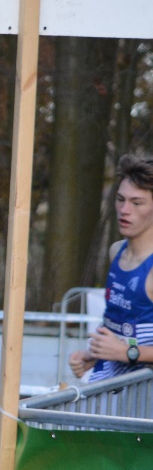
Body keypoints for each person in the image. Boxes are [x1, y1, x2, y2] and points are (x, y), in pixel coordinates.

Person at [70, 153, 153, 383]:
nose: (125, 210)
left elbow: (126, 348)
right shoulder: (116, 251)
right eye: (120, 199)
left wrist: (127, 353)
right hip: (110, 387)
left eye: (137, 203)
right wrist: (95, 355)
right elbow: (117, 322)